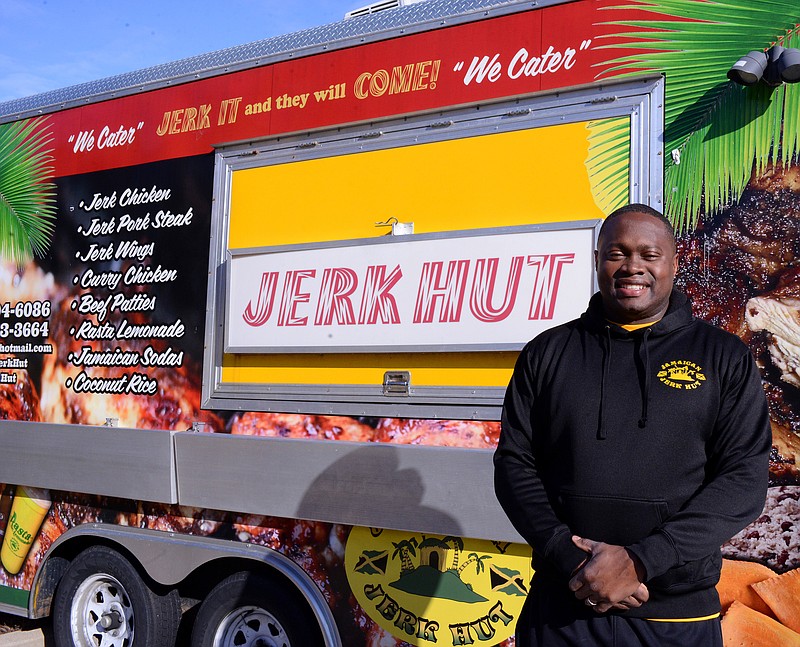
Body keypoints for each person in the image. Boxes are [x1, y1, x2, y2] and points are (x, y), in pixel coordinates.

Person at [494, 203, 771, 646]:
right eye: (616, 253)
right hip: (562, 606)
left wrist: (641, 562)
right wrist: (570, 557)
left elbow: (744, 478)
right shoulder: (548, 352)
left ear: (675, 262)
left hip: (675, 615)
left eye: (649, 254)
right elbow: (514, 465)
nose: (632, 266)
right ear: (598, 259)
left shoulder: (723, 357)